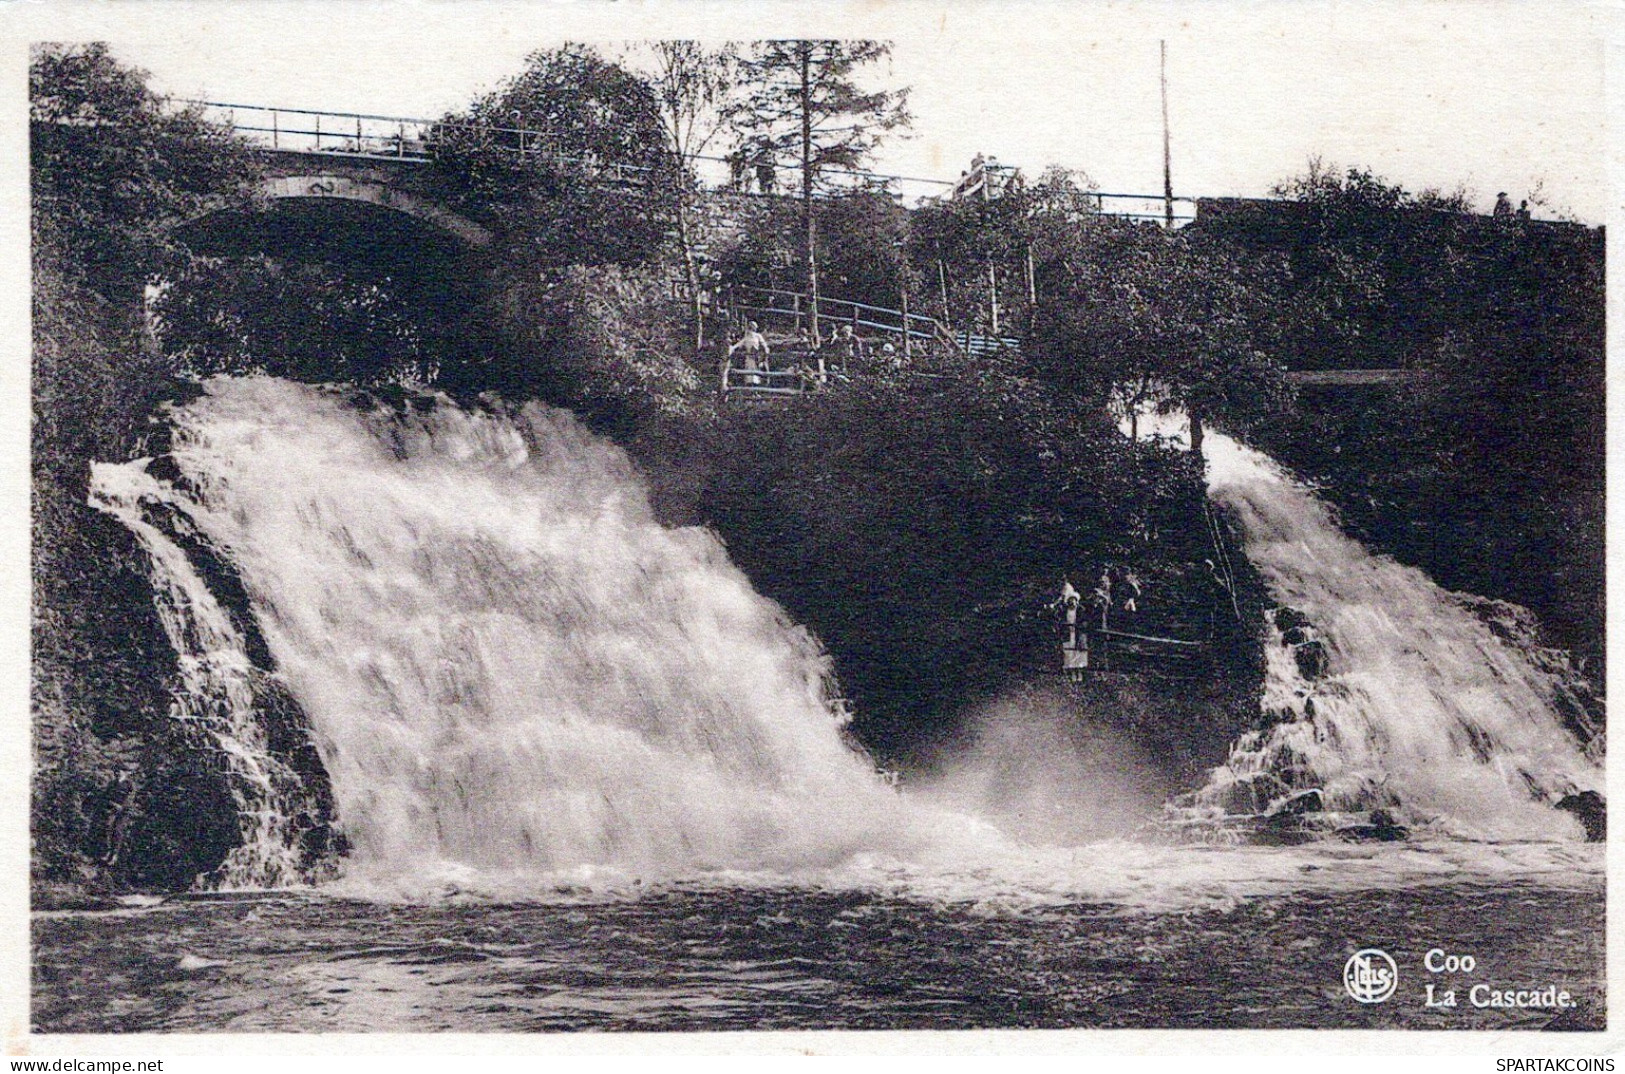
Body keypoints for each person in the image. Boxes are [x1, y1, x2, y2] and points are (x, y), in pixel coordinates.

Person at [728, 321, 770, 385]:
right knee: (749, 372)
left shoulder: (758, 336)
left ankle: (756, 387)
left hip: (756, 356)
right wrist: (732, 348)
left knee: (756, 372)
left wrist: (765, 352)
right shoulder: (747, 337)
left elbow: (763, 344)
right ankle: (749, 387)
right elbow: (739, 344)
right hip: (748, 356)